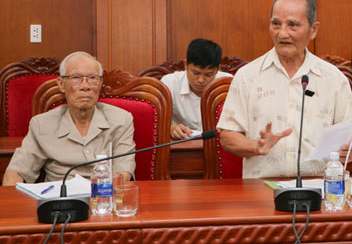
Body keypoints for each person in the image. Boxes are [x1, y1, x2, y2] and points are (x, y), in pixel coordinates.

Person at [217, 0, 352, 178]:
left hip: (318, 186)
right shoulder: (248, 76)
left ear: (313, 30)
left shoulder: (333, 78)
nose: (282, 33)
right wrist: (256, 146)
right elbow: (227, 136)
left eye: (292, 25)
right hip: (261, 187)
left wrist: (350, 147)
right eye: (276, 24)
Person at [2, 52, 135, 185]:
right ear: (61, 84)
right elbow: (16, 172)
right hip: (59, 195)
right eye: (76, 78)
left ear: (100, 83)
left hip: (103, 194)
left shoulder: (121, 120)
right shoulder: (41, 125)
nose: (85, 86)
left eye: (92, 78)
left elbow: (123, 173)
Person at [161, 38, 232, 140]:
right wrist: (170, 128)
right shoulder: (170, 84)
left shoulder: (227, 84)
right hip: (181, 144)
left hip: (217, 143)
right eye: (196, 73)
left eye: (208, 75)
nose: (201, 80)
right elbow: (157, 122)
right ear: (186, 65)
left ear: (217, 69)